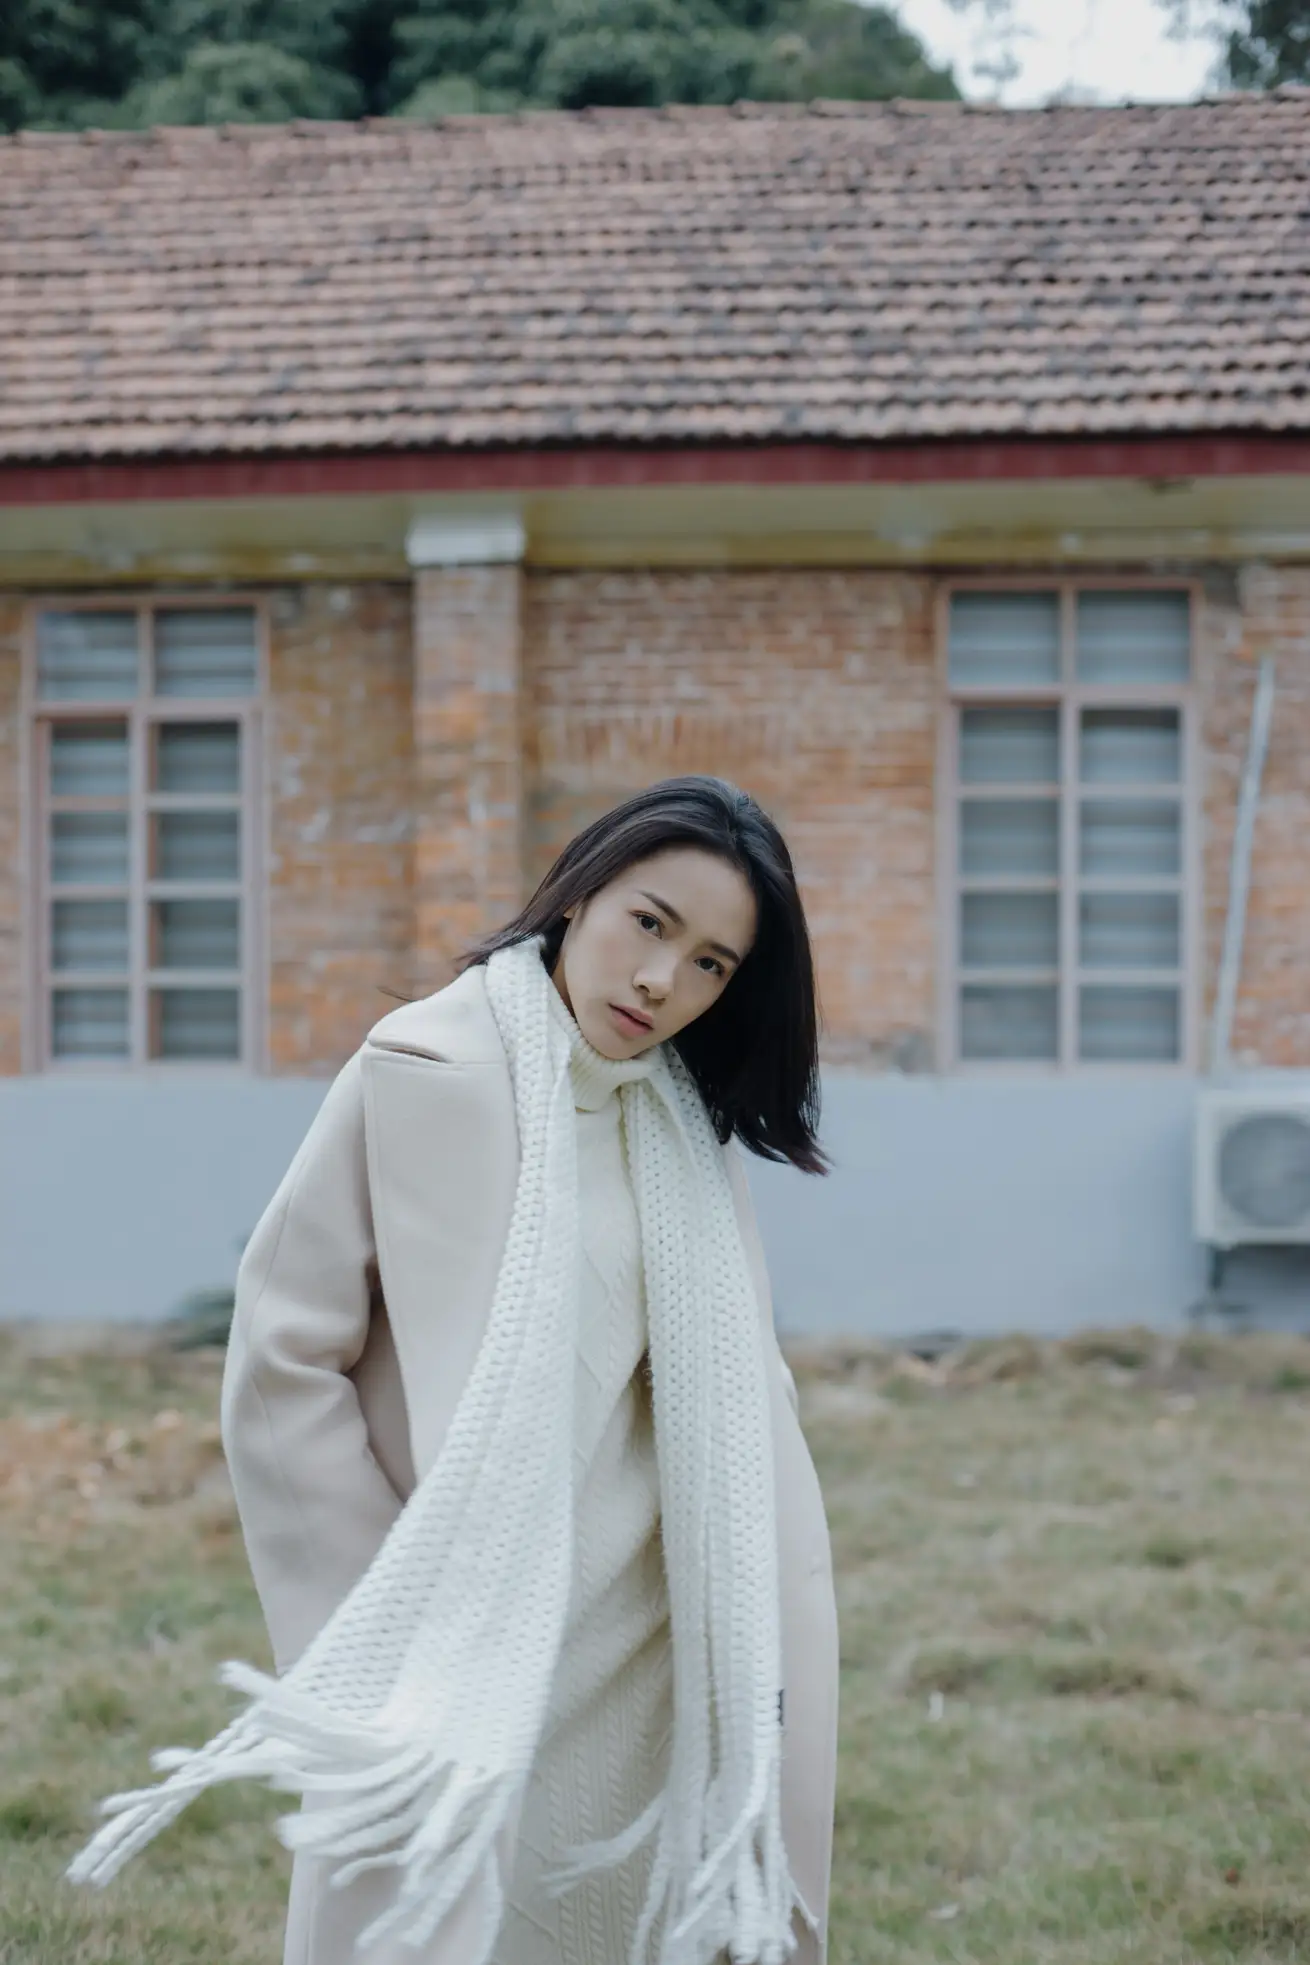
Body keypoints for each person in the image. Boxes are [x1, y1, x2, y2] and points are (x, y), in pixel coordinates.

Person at [66, 774, 840, 1965]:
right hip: (468, 1628)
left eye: (708, 965)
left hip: (656, 1631)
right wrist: (383, 1615)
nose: (659, 981)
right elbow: (283, 1355)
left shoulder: (684, 1132)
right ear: (579, 895)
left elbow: (740, 1383)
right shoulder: (421, 1070)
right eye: (648, 923)